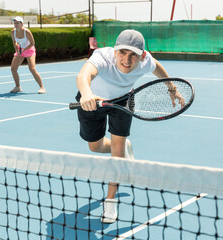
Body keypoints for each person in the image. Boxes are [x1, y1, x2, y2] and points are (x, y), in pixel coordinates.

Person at [75, 29, 183, 223]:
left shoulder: (145, 61)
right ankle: (126, 147)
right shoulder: (102, 57)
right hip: (93, 100)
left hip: (123, 102)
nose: (127, 59)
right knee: (95, 147)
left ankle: (110, 202)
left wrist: (171, 88)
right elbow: (84, 74)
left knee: (117, 153)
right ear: (115, 52)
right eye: (123, 52)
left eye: (134, 55)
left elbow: (156, 66)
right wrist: (86, 94)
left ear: (141, 57)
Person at [10, 16, 46, 94]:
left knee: (32, 68)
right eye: (15, 23)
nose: (15, 24)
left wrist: (24, 49)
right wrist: (17, 49)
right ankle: (18, 87)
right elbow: (14, 42)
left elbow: (32, 43)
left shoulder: (27, 32)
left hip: (29, 49)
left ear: (22, 24)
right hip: (20, 49)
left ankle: (42, 87)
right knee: (13, 68)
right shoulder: (13, 32)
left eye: (17, 23)